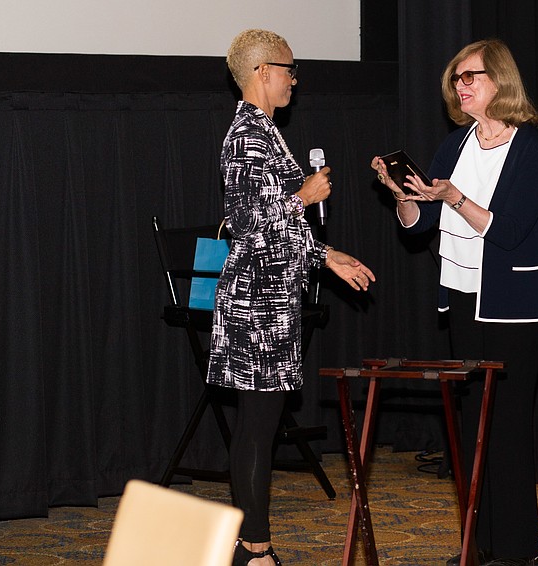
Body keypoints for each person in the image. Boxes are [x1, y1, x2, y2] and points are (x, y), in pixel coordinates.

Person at [372, 38, 538, 566]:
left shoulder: (530, 149)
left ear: (501, 80)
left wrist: (455, 197)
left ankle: (517, 552)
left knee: (508, 427)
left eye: (471, 76)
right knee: (474, 425)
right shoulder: (454, 144)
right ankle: (479, 547)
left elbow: (510, 231)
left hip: (516, 304)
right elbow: (419, 227)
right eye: (456, 79)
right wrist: (402, 195)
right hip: (463, 298)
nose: (461, 86)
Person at [209, 29, 376, 566]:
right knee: (257, 427)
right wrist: (302, 196)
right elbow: (245, 226)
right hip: (255, 304)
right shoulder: (246, 136)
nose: (294, 79)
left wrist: (327, 257)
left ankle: (251, 546)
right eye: (288, 69)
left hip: (273, 300)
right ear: (261, 72)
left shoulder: (267, 132)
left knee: (261, 423)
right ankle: (254, 550)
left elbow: (278, 230)